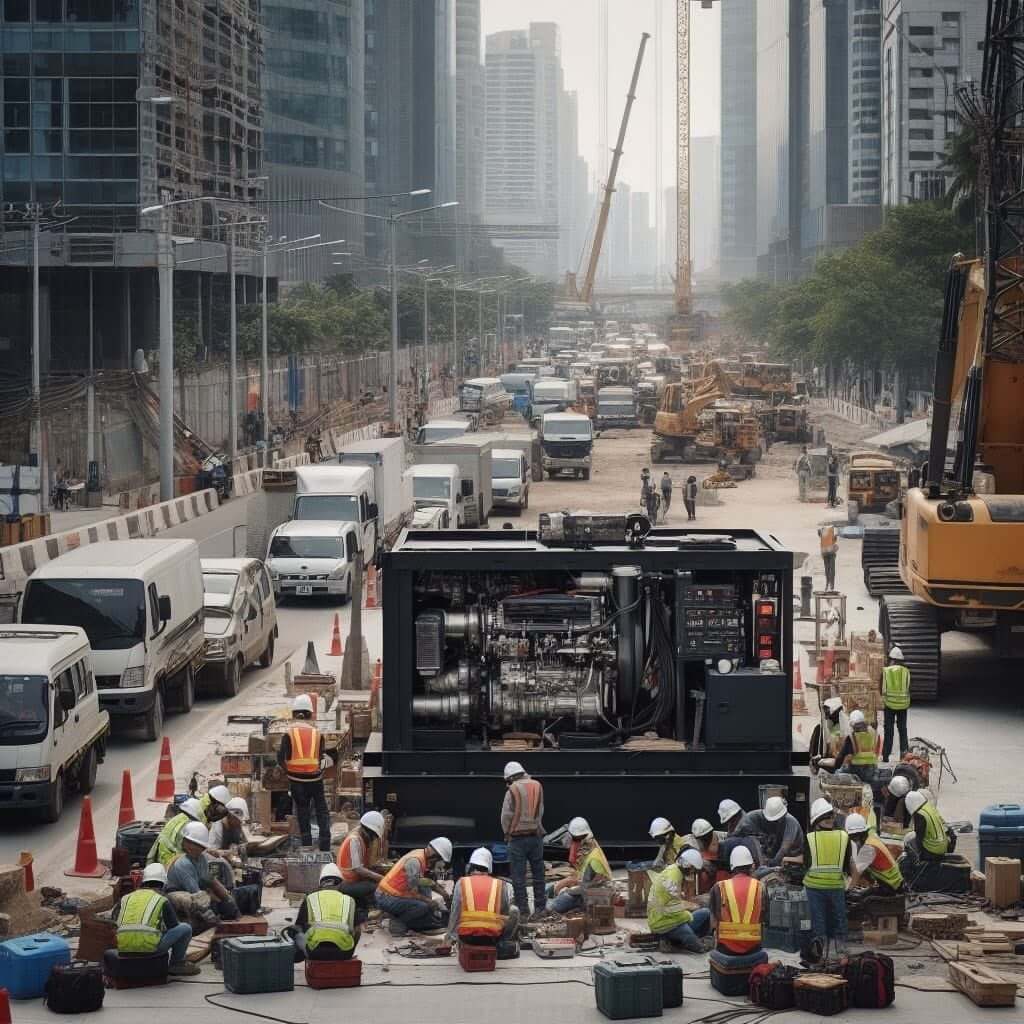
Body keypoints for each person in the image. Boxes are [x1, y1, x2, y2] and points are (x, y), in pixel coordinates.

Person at [114, 862, 198, 976]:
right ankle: (176, 964)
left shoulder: (126, 897)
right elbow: (173, 926)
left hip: (123, 948)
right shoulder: (161, 898)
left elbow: (114, 922)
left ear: (143, 881)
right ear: (164, 883)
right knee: (185, 928)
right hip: (149, 950)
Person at [277, 694, 336, 852]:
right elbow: (321, 757)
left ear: (294, 714)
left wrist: (288, 772)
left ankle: (307, 845)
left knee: (303, 812)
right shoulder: (317, 733)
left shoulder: (289, 733)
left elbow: (281, 757)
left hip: (296, 781)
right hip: (315, 779)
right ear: (310, 714)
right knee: (321, 810)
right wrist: (317, 770)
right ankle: (325, 845)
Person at [442, 847, 519, 951]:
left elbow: (455, 913)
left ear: (470, 866)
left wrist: (448, 939)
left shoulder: (462, 883)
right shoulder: (500, 884)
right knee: (514, 910)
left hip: (466, 938)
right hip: (492, 938)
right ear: (489, 866)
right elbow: (504, 911)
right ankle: (502, 943)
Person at [165, 822, 239, 929]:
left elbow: (211, 880)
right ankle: (194, 924)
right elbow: (195, 893)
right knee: (198, 904)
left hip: (194, 892)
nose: (194, 848)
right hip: (177, 896)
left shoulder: (202, 859)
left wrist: (227, 899)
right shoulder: (183, 864)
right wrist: (211, 917)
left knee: (216, 900)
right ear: (185, 843)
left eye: (199, 845)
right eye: (191, 843)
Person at [803, 798, 852, 957]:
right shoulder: (844, 837)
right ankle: (841, 954)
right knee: (839, 920)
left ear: (816, 821)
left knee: (818, 922)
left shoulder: (810, 838)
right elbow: (846, 866)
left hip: (814, 887)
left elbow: (806, 863)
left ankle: (820, 954)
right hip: (836, 886)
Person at [375, 837, 453, 934]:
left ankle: (420, 917)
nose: (438, 863)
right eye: (439, 860)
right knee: (422, 906)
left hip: (392, 893)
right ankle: (397, 923)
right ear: (434, 855)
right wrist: (429, 902)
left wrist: (443, 893)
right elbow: (413, 892)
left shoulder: (420, 854)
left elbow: (420, 881)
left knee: (425, 890)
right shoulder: (415, 861)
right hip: (385, 897)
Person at [501, 761, 546, 916]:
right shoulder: (537, 786)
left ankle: (524, 911)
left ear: (511, 777)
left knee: (518, 877)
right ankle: (540, 908)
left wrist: (507, 832)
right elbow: (540, 811)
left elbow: (506, 816)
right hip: (536, 837)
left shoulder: (512, 790)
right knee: (538, 874)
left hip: (517, 839)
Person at [647, 849, 712, 953]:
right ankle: (686, 942)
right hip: (663, 923)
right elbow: (672, 909)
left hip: (669, 919)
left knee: (705, 913)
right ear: (688, 866)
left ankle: (674, 941)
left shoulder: (674, 871)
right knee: (697, 945)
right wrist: (688, 913)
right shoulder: (673, 877)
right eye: (693, 870)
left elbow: (673, 901)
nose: (693, 873)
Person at [291, 864, 359, 963]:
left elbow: (299, 927)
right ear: (340, 884)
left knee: (296, 931)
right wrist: (350, 949)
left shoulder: (310, 898)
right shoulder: (349, 900)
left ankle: (302, 958)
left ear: (321, 884)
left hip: (315, 952)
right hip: (344, 953)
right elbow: (358, 930)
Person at [708, 847, 766, 957]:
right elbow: (764, 919)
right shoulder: (761, 887)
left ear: (732, 867)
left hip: (725, 949)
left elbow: (713, 924)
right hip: (754, 948)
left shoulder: (719, 887)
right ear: (751, 866)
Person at [550, 817, 612, 913]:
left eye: (575, 839)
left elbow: (585, 888)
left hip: (592, 896)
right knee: (550, 888)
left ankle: (576, 907)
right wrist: (567, 883)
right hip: (587, 888)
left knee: (553, 906)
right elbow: (582, 878)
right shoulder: (590, 848)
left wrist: (567, 890)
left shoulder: (594, 859)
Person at [336, 810, 387, 921]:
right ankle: (373, 910)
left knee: (376, 879)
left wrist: (378, 870)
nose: (373, 838)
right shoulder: (354, 840)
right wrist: (380, 878)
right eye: (373, 835)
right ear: (367, 830)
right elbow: (358, 869)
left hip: (352, 881)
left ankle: (367, 906)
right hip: (345, 883)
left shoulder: (360, 837)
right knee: (376, 886)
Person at [735, 796, 804, 873]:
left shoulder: (791, 822)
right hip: (776, 858)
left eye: (777, 820)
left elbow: (784, 849)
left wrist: (771, 864)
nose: (774, 822)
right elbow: (742, 825)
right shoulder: (756, 816)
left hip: (792, 860)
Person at [845, 814, 904, 896]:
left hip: (890, 885)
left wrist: (848, 890)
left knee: (858, 899)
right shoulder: (871, 837)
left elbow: (857, 872)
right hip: (892, 881)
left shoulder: (868, 847)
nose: (855, 840)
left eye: (854, 837)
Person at [147, 797, 206, 868]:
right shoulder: (186, 825)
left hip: (161, 859)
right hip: (170, 863)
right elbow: (189, 850)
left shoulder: (178, 818)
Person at [880, 646, 911, 762]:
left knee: (889, 730)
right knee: (903, 729)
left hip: (889, 704)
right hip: (903, 705)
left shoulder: (886, 671)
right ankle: (904, 755)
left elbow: (882, 690)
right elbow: (909, 688)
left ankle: (886, 756)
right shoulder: (907, 672)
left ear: (891, 659)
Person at [716, 799, 763, 873]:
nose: (729, 823)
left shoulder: (745, 823)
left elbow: (733, 836)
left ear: (736, 815)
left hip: (756, 851)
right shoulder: (735, 820)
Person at [903, 791, 950, 863]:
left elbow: (919, 837)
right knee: (911, 836)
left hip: (932, 850)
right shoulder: (929, 807)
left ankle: (915, 865)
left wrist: (919, 854)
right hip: (943, 847)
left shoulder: (920, 814)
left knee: (908, 840)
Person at [818, 524, 838, 592]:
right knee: (831, 569)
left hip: (824, 552)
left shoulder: (822, 530)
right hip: (831, 552)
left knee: (827, 569)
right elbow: (835, 539)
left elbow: (819, 534)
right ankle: (831, 585)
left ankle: (827, 584)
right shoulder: (833, 530)